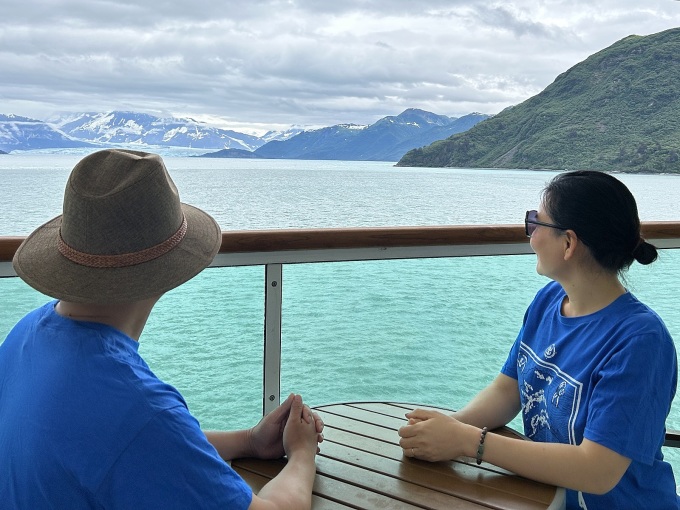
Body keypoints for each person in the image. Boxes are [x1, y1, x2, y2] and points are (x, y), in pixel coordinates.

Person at [0, 149, 323, 509]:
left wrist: (248, 441)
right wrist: (301, 453)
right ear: (168, 270)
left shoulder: (25, 336)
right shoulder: (138, 407)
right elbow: (143, 436)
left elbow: (129, 450)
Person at [398, 170, 678, 509]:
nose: (530, 237)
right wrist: (447, 430)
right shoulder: (548, 301)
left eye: (535, 222)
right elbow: (508, 390)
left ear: (568, 243)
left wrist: (470, 442)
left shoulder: (640, 341)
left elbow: (598, 471)